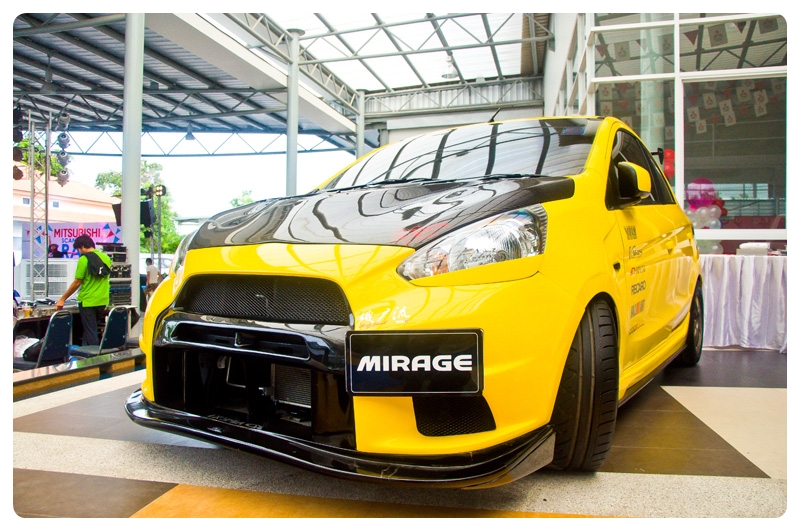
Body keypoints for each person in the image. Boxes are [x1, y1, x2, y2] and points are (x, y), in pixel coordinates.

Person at [55, 234, 112, 346]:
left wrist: (62, 299)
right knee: (90, 329)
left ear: (82, 247)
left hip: (87, 300)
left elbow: (77, 282)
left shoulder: (84, 259)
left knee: (90, 331)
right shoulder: (106, 258)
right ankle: (84, 352)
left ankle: (93, 354)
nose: (79, 252)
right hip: (102, 300)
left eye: (78, 249)